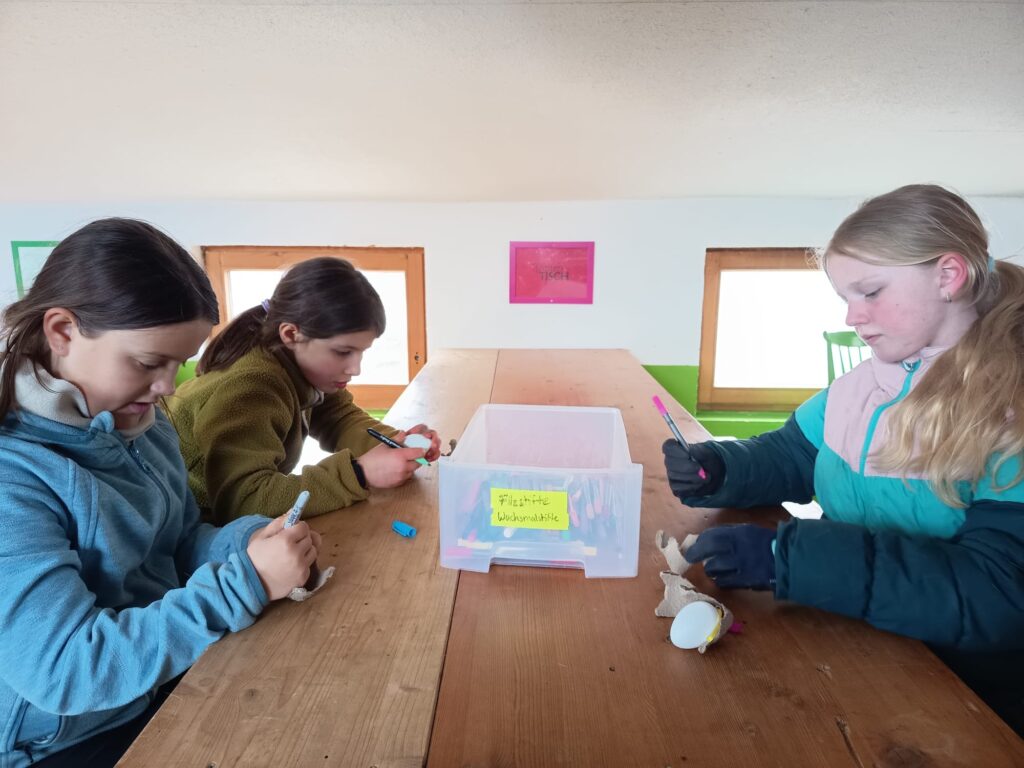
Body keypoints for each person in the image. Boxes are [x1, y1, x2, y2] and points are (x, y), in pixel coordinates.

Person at [663, 184, 1024, 735]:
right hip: (859, 646)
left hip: (970, 697)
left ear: (949, 276)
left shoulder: (1011, 410)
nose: (854, 316)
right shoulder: (866, 384)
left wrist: (790, 559)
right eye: (845, 297)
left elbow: (997, 593)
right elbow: (793, 453)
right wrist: (721, 468)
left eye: (871, 292)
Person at [0, 218, 320, 767]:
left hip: (158, 675)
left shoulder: (143, 424)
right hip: (66, 738)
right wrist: (243, 583)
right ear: (62, 331)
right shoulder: (14, 478)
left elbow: (177, 542)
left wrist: (246, 543)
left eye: (179, 363)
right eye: (149, 363)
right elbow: (65, 671)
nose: (168, 387)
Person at [166, 257, 441, 525]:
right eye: (343, 352)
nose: (355, 368)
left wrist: (395, 443)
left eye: (361, 352)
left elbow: (339, 418)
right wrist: (359, 474)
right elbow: (243, 501)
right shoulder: (251, 385)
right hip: (194, 530)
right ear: (290, 334)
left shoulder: (299, 364)